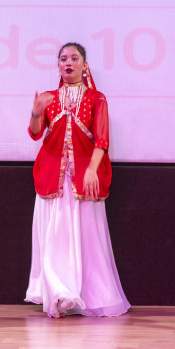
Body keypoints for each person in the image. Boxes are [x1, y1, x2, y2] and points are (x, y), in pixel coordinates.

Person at [25, 43, 131, 318]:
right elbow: (35, 133)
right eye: (63, 59)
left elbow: (102, 140)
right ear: (58, 65)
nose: (68, 63)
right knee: (54, 240)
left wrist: (93, 169)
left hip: (83, 180)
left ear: (85, 65)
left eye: (74, 58)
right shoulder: (49, 98)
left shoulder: (97, 98)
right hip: (53, 178)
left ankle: (85, 294)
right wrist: (36, 112)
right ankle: (58, 294)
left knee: (87, 241)